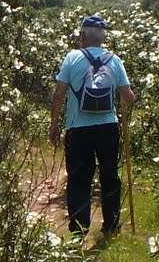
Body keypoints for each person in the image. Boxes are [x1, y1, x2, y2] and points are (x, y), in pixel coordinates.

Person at [49, 13, 136, 237]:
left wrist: (54, 124)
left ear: (83, 35)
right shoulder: (114, 60)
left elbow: (58, 95)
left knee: (79, 179)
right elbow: (129, 97)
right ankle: (111, 225)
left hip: (77, 128)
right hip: (108, 127)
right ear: (103, 37)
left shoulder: (72, 58)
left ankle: (79, 230)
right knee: (110, 176)